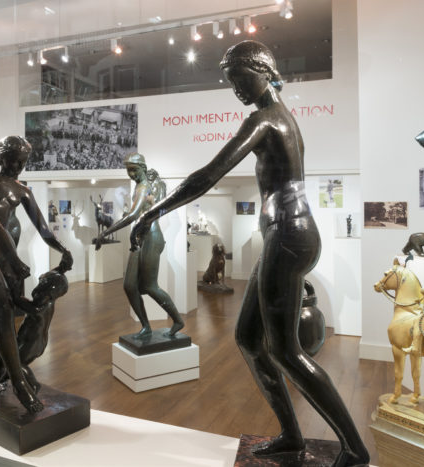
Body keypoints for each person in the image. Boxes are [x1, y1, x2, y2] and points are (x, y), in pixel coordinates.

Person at [130, 41, 369, 465]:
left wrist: (153, 212)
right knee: (248, 339)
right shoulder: (282, 119)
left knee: (286, 351)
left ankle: (354, 448)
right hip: (286, 235)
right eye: (231, 82)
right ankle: (292, 436)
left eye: (240, 78)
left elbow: (209, 174)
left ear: (263, 70)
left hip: (288, 235)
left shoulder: (266, 120)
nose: (236, 89)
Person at [0, 136, 72, 413]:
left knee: (8, 313)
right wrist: (14, 260)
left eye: (22, 162)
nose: (17, 167)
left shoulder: (23, 191)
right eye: (13, 161)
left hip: (3, 253)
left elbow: (43, 228)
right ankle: (19, 383)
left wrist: (63, 249)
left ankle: (1, 378)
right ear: (0, 158)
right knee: (2, 308)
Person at [95, 153, 184, 337]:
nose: (131, 174)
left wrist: (105, 232)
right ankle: (146, 327)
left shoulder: (143, 187)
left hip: (151, 237)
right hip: (139, 238)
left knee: (150, 286)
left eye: (134, 170)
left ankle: (178, 320)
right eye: (128, 171)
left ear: (143, 168)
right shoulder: (139, 187)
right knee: (129, 286)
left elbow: (133, 215)